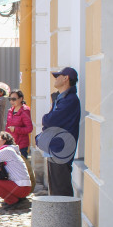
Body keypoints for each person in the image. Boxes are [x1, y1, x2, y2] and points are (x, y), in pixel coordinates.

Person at [40, 67, 81, 196]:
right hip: (56, 147)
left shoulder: (70, 100)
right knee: (55, 188)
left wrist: (46, 119)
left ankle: (65, 216)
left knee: (61, 189)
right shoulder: (61, 99)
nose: (55, 78)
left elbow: (49, 120)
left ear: (66, 78)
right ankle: (60, 215)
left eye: (58, 76)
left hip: (62, 149)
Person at [6, 90, 33, 159]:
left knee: (22, 167)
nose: (11, 101)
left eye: (14, 99)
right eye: (10, 99)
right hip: (11, 145)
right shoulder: (10, 111)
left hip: (21, 146)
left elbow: (29, 128)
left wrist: (15, 129)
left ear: (21, 99)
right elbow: (7, 127)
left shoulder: (25, 111)